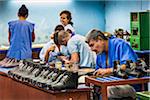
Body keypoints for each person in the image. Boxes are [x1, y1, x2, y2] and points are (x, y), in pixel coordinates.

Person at [86, 29, 137, 100]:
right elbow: (99, 72)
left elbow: (130, 65)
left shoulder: (120, 44)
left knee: (108, 90)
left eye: (92, 45)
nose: (92, 49)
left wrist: (108, 71)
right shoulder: (100, 54)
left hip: (131, 85)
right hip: (110, 84)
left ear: (100, 39)